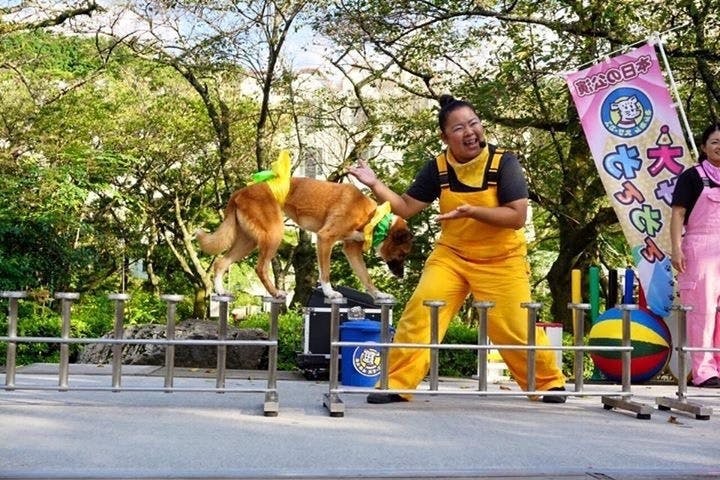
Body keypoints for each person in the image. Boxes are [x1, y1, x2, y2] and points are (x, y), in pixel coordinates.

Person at [348, 94, 567, 403]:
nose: (470, 132)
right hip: (451, 256)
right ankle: (396, 382)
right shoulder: (438, 168)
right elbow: (406, 207)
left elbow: (517, 217)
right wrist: (374, 183)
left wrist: (472, 211)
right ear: (445, 137)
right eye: (459, 128)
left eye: (474, 124)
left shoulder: (503, 163)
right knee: (421, 311)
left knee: (514, 326)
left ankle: (547, 382)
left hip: (501, 259)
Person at [670, 122, 720, 388]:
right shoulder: (692, 177)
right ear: (703, 147)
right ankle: (704, 371)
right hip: (700, 249)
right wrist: (676, 248)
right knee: (703, 311)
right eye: (715, 142)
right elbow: (678, 213)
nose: (719, 146)